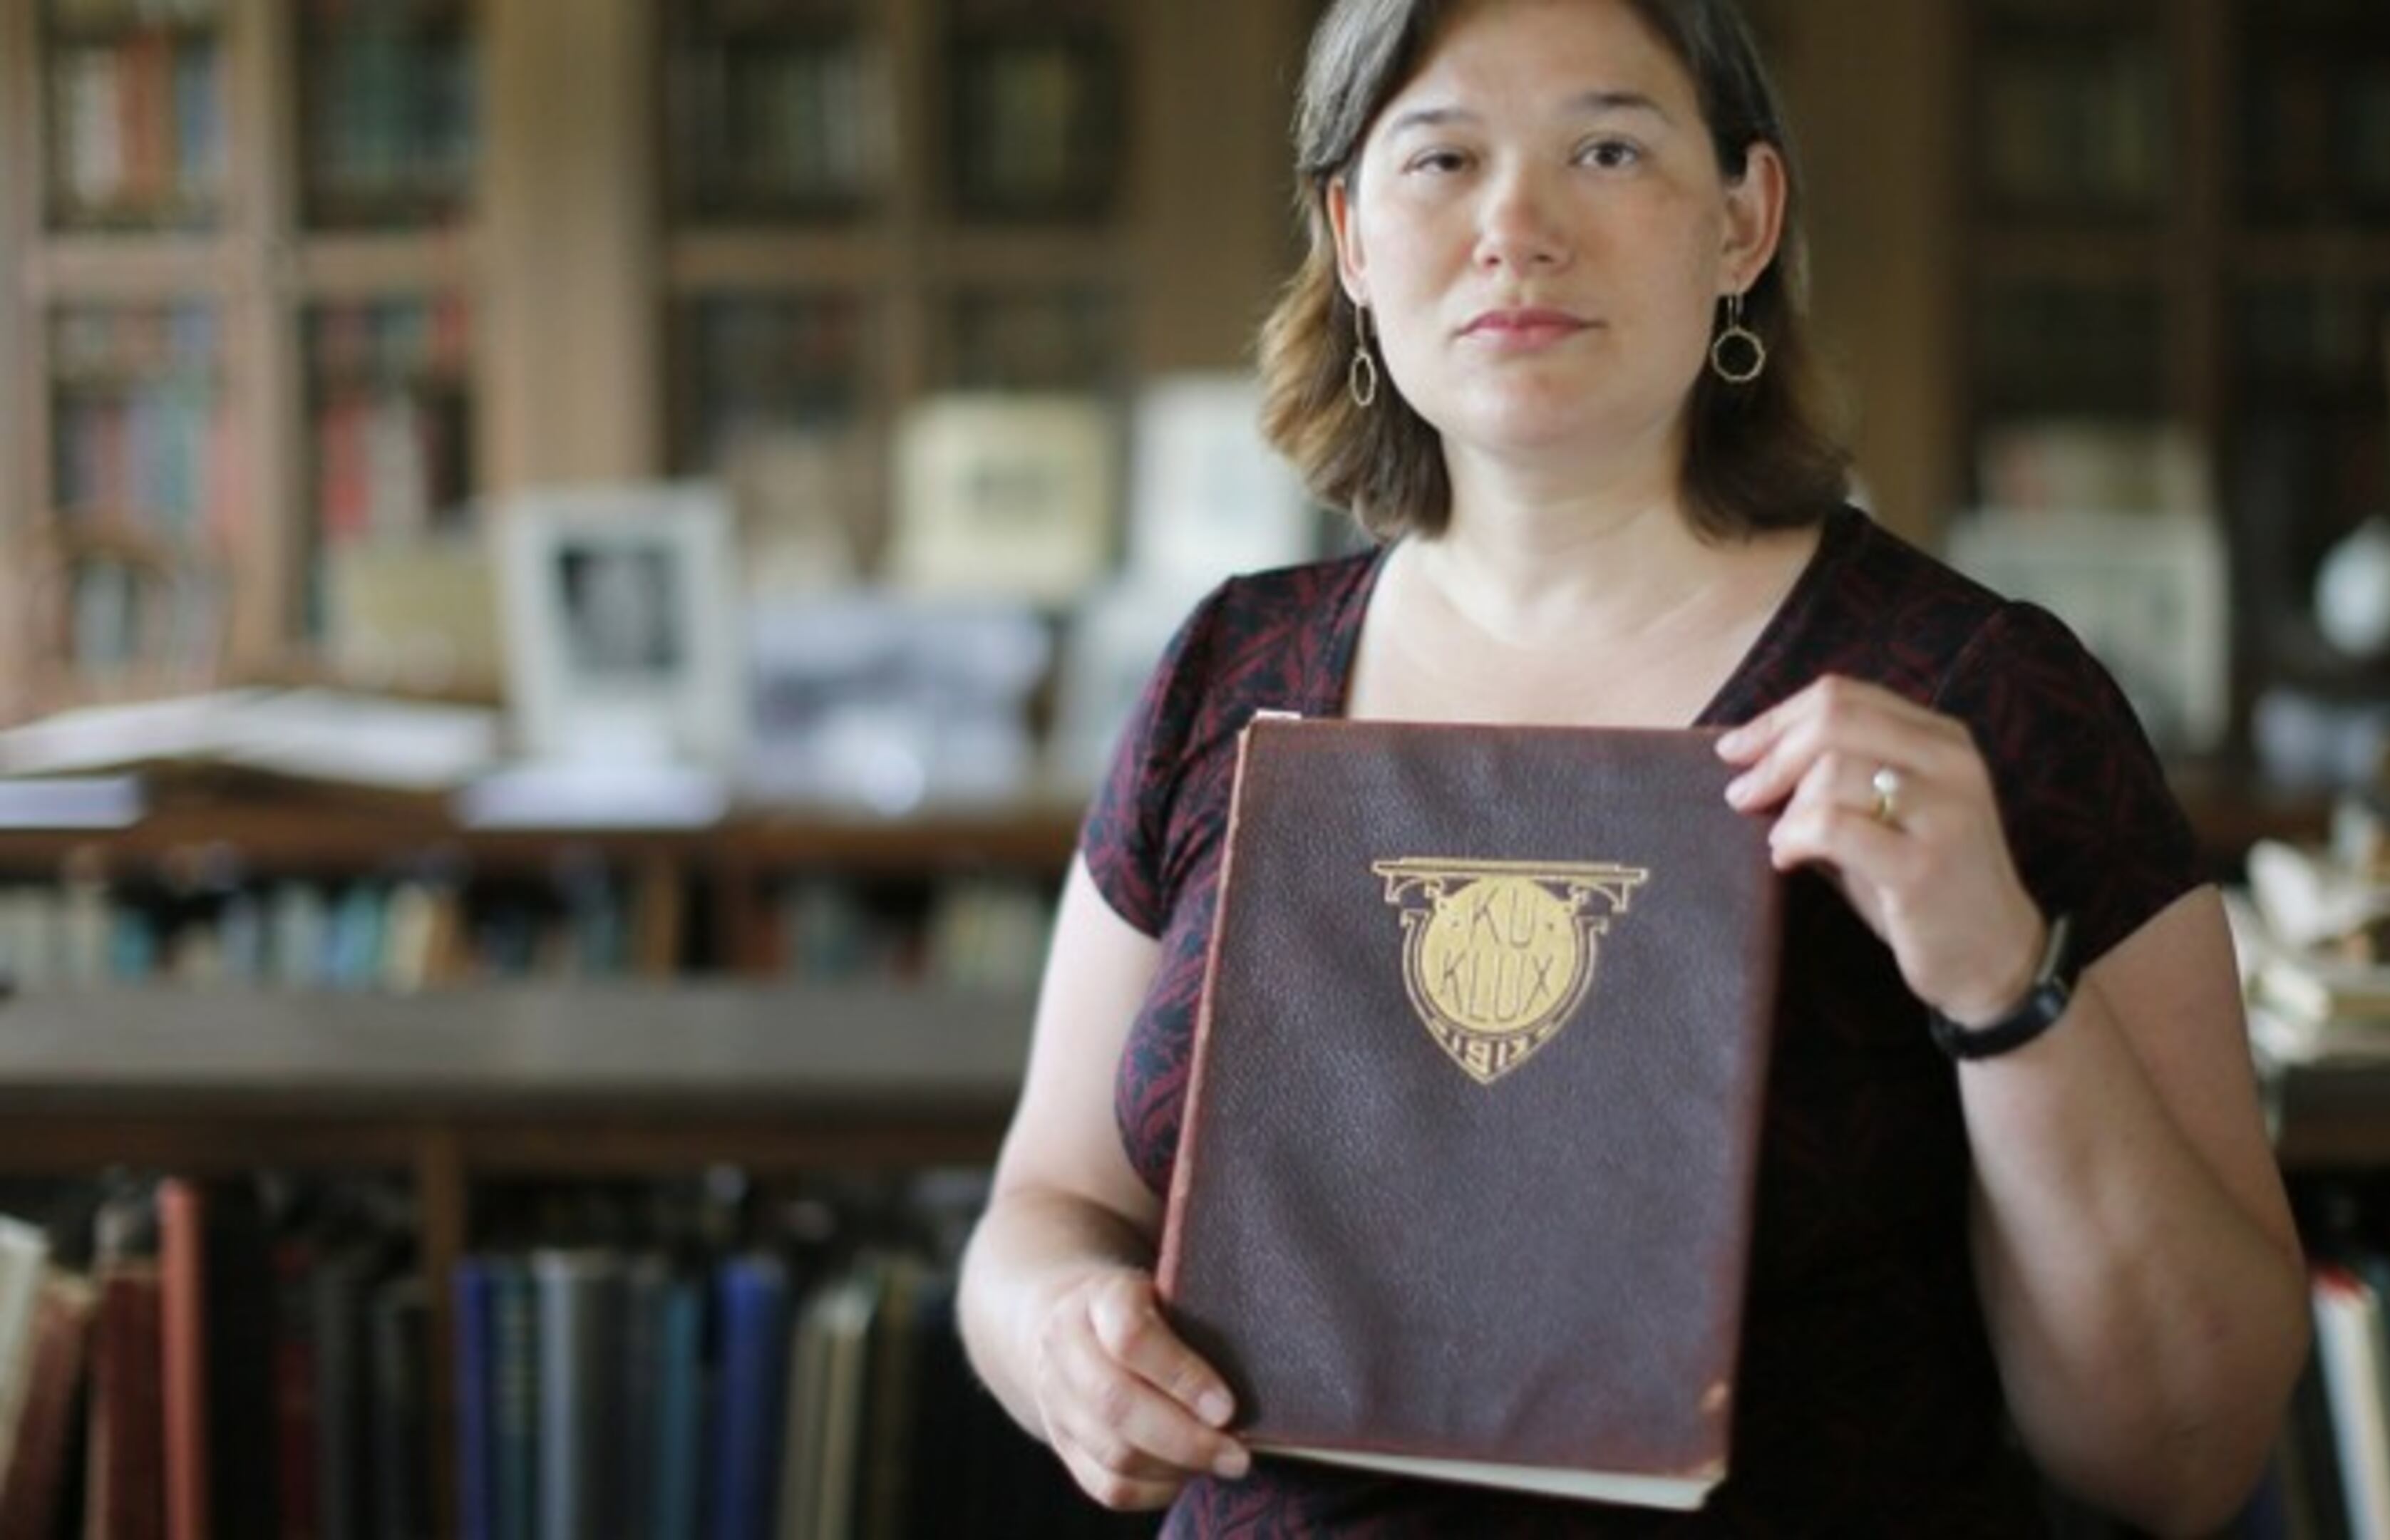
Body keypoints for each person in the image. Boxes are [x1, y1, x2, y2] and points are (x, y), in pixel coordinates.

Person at [956, 0, 2310, 1532]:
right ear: (1349, 237)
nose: (1515, 226)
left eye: (1607, 148)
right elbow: (1046, 1210)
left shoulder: (1986, 701)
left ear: (1743, 219)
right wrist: (1060, 1333)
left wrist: (2004, 979)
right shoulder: (1227, 673)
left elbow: (2186, 1456)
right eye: (1442, 158)